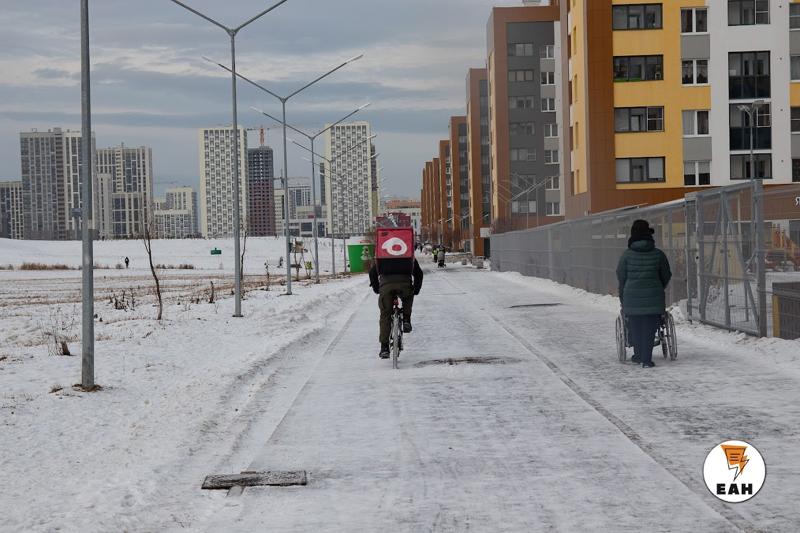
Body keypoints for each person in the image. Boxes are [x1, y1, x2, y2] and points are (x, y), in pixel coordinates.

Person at [616, 219, 672, 368]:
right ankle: (646, 359)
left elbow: (621, 276)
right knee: (649, 327)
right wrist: (658, 286)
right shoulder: (658, 254)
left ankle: (638, 355)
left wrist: (624, 293)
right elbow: (666, 274)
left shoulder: (626, 255)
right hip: (654, 298)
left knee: (635, 326)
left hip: (632, 298)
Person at [369, 251, 424, 359]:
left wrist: (376, 289)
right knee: (408, 296)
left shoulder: (383, 253)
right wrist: (416, 289)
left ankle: (384, 347)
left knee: (385, 315)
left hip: (386, 286)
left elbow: (372, 273)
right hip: (404, 284)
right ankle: (406, 319)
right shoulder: (407, 252)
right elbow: (419, 274)